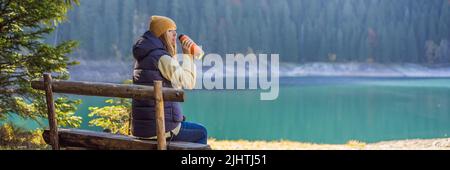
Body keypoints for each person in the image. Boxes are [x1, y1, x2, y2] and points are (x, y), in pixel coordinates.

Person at [131, 15, 207, 144]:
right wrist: (188, 56)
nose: (175, 34)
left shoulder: (144, 56)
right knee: (201, 132)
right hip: (160, 129)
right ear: (162, 34)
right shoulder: (161, 58)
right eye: (170, 30)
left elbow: (175, 84)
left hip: (141, 129)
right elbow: (188, 83)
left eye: (175, 30)